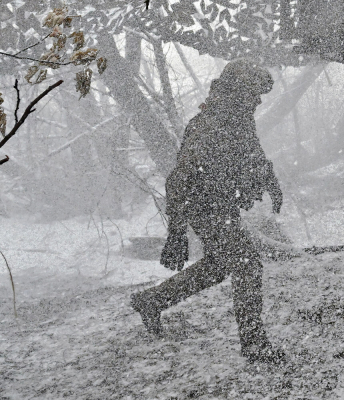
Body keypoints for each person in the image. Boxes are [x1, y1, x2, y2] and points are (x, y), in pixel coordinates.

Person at [131, 59, 284, 363]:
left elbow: (252, 152)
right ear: (238, 92)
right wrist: (176, 233)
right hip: (204, 208)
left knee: (220, 265)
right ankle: (254, 344)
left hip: (222, 204)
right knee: (246, 265)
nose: (257, 102)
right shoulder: (208, 126)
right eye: (254, 94)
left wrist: (270, 180)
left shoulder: (238, 118)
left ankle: (151, 301)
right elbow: (178, 181)